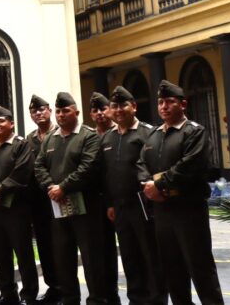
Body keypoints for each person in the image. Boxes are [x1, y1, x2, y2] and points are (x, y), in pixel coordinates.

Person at [137, 80, 224, 305]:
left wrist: (158, 185)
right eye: (160, 102)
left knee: (200, 267)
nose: (164, 106)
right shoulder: (153, 135)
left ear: (183, 104)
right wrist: (147, 184)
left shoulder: (194, 132)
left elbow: (189, 166)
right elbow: (140, 164)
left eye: (169, 102)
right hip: (163, 212)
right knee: (172, 269)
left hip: (189, 210)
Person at [32, 92, 109, 305]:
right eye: (58, 111)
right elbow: (38, 166)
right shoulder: (51, 137)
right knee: (63, 257)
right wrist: (51, 187)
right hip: (58, 207)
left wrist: (63, 187)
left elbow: (88, 167)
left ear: (76, 112)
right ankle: (69, 299)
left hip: (86, 207)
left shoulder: (88, 136)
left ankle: (97, 300)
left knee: (91, 257)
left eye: (65, 110)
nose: (60, 115)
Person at [102, 87, 164, 305]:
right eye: (114, 106)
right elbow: (106, 174)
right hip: (119, 207)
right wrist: (109, 203)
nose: (118, 110)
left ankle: (156, 300)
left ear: (134, 107)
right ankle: (136, 299)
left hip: (143, 205)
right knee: (129, 256)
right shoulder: (108, 137)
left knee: (150, 255)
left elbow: (155, 165)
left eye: (123, 105)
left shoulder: (148, 133)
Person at [0, 105, 39, 305]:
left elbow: (22, 173)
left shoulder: (21, 145)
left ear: (11, 124)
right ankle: (7, 294)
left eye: (1, 121)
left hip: (16, 209)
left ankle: (28, 295)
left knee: (23, 253)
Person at [25, 94, 61, 305]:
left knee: (62, 244)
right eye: (34, 111)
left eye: (41, 109)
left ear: (49, 110)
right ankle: (53, 287)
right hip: (38, 201)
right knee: (45, 245)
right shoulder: (29, 139)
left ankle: (66, 287)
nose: (38, 113)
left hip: (58, 196)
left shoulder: (60, 134)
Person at [88, 92, 120, 305]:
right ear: (91, 114)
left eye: (103, 109)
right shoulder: (89, 137)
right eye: (95, 110)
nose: (100, 113)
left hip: (118, 201)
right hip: (94, 203)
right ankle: (104, 295)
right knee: (99, 251)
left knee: (124, 251)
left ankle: (115, 296)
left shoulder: (119, 134)